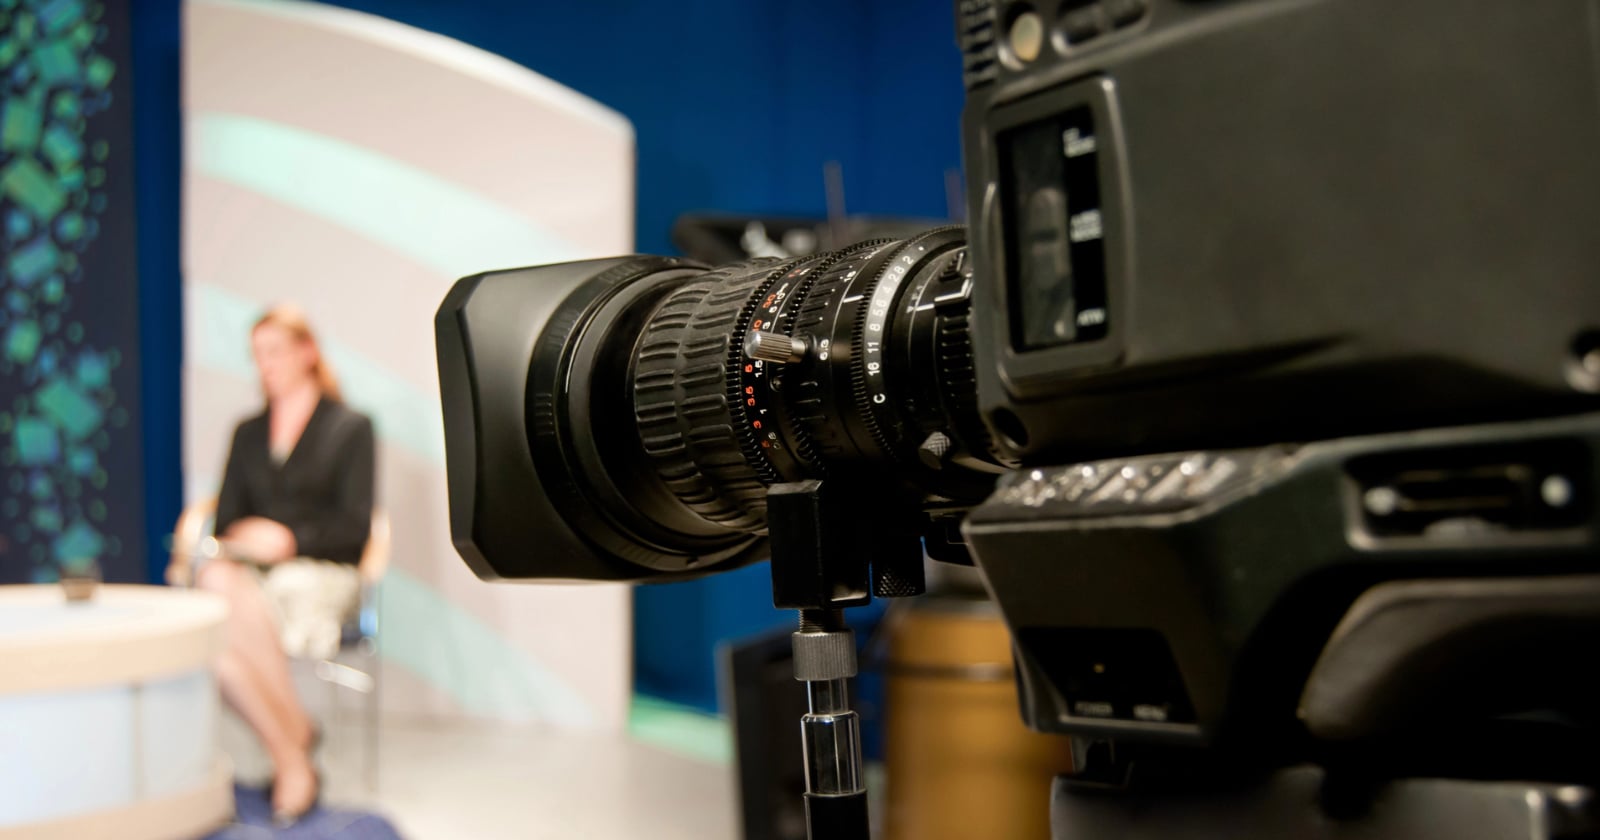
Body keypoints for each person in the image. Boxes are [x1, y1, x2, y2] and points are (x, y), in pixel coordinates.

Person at [195, 305, 376, 823]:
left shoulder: (349, 428)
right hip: (248, 574)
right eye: (257, 355)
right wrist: (253, 540)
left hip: (322, 571)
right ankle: (293, 746)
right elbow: (227, 519)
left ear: (306, 352)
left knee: (217, 622)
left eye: (274, 351)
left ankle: (290, 752)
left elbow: (355, 531)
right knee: (216, 585)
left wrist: (289, 539)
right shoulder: (247, 432)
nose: (265, 364)